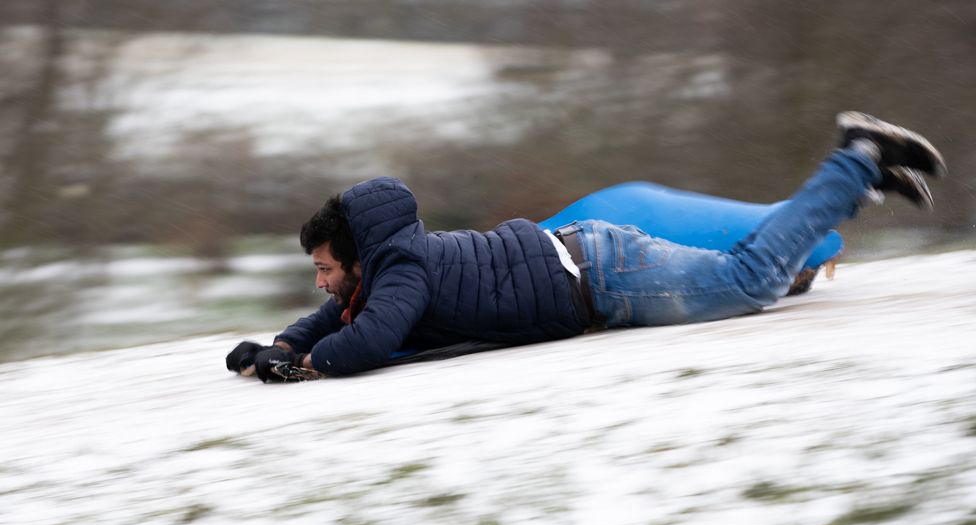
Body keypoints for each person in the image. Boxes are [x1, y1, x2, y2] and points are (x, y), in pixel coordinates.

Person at [226, 112, 945, 381]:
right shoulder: (386, 267)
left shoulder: (400, 273)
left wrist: (312, 365)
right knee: (744, 271)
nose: (320, 283)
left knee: (749, 280)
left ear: (356, 256)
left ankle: (855, 158)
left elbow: (370, 337)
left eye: (323, 268)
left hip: (605, 278)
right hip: (591, 262)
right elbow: (340, 316)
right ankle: (860, 177)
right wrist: (279, 347)